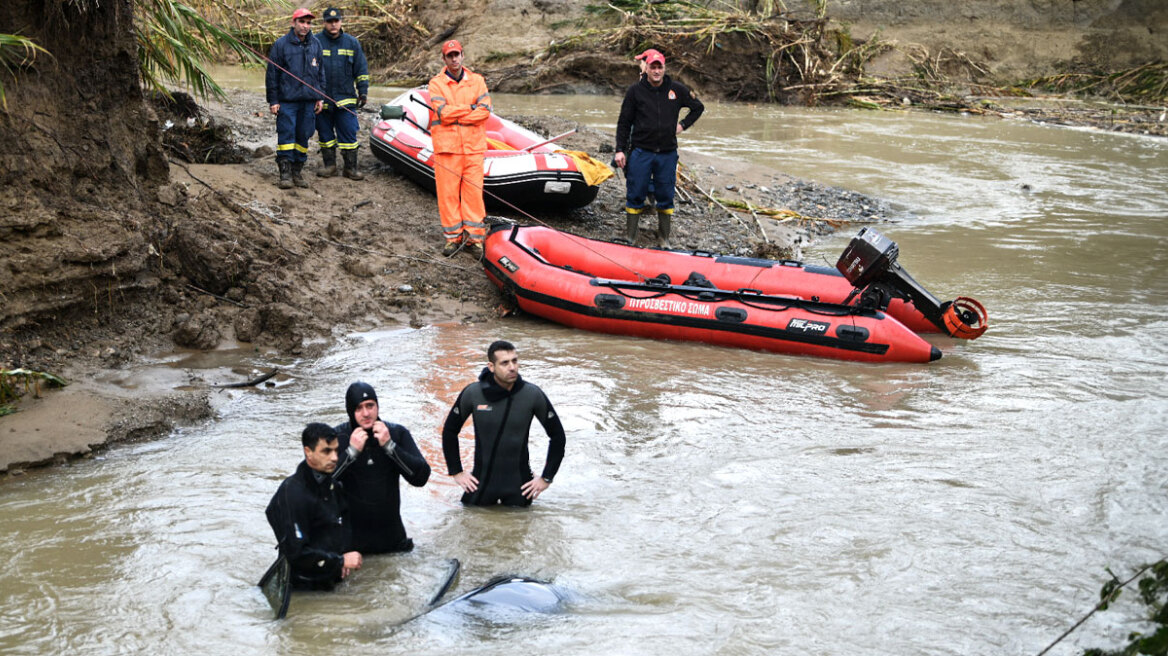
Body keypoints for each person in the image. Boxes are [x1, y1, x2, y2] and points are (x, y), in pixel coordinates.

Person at [441, 340, 566, 507]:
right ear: (491, 366)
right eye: (505, 363)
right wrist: (456, 472)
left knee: (520, 529)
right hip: (481, 483)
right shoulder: (473, 393)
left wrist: (546, 478)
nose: (512, 367)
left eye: (515, 361)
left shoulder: (532, 395)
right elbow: (450, 431)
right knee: (469, 526)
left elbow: (558, 436)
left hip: (519, 485)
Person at [614, 50, 704, 247]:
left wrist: (682, 126)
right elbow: (624, 122)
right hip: (641, 152)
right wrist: (620, 149)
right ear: (646, 68)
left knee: (665, 195)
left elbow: (698, 107)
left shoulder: (676, 89)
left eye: (659, 67)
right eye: (652, 67)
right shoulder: (635, 91)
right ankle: (630, 237)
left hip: (667, 154)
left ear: (664, 69)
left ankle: (664, 238)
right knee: (635, 193)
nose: (656, 71)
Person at [333, 381, 431, 554]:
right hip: (352, 548)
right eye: (359, 408)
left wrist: (390, 447)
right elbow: (318, 486)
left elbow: (421, 478)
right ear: (350, 411)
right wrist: (350, 453)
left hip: (393, 542)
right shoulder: (338, 437)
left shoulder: (397, 433)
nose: (366, 413)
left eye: (370, 406)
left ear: (377, 406)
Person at [265, 423, 363, 590]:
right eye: (326, 451)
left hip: (331, 580)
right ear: (308, 452)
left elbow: (344, 521)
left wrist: (344, 553)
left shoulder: (333, 486)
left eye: (336, 450)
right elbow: (296, 553)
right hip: (300, 588)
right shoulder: (292, 493)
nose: (334, 457)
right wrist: (340, 561)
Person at [427, 39, 492, 259]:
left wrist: (459, 116)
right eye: (450, 56)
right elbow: (442, 113)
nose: (454, 59)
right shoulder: (436, 83)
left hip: (473, 149)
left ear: (463, 55)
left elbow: (484, 110)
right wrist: (469, 109)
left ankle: (474, 240)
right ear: (444, 58)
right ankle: (452, 238)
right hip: (447, 149)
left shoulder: (477, 81)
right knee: (448, 196)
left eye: (457, 54)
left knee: (473, 194)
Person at [265, 7, 326, 190]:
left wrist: (320, 97)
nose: (305, 26)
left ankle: (297, 172)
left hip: (308, 102)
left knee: (304, 136)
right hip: (287, 102)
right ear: (293, 23)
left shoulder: (316, 44)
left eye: (308, 23)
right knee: (286, 135)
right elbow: (272, 75)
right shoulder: (281, 44)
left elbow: (321, 72)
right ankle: (285, 174)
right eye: (301, 22)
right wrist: (273, 100)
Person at [315, 7, 370, 181]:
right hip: (321, 99)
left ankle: (350, 168)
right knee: (325, 135)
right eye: (329, 21)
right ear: (324, 22)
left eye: (336, 21)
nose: (333, 24)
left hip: (345, 98)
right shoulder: (315, 42)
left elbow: (361, 69)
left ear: (341, 22)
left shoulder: (352, 43)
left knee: (349, 134)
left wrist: (363, 92)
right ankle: (330, 166)